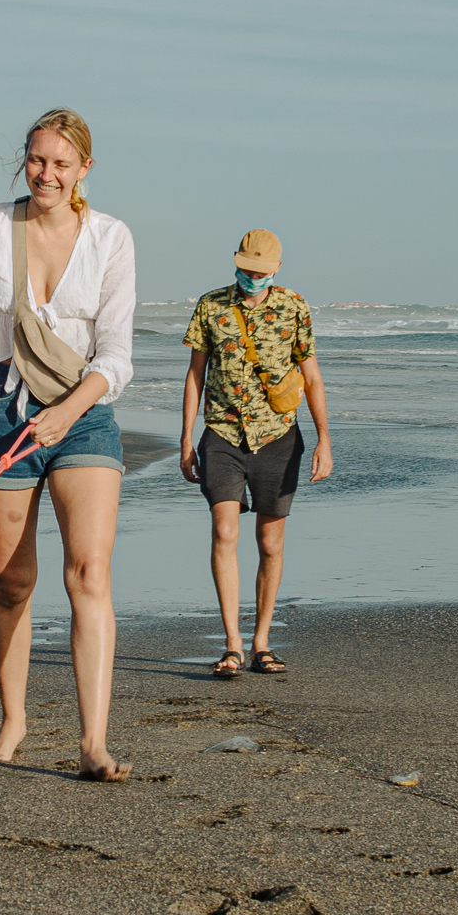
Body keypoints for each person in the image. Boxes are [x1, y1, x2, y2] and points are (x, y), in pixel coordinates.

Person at [0, 108, 136, 781]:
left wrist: (67, 411)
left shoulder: (111, 239)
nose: (46, 173)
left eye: (61, 164)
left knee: (90, 572)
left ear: (85, 170)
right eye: (37, 159)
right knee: (12, 581)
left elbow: (116, 354)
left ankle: (94, 741)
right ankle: (13, 720)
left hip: (85, 412)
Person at [179, 230, 332, 677]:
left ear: (277, 268)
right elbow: (195, 376)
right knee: (224, 532)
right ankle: (231, 645)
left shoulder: (294, 306)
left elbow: (313, 377)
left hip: (278, 438)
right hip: (222, 434)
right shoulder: (212, 306)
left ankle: (262, 642)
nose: (252, 277)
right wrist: (185, 439)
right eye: (246, 269)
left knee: (270, 541)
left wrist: (324, 438)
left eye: (260, 271)